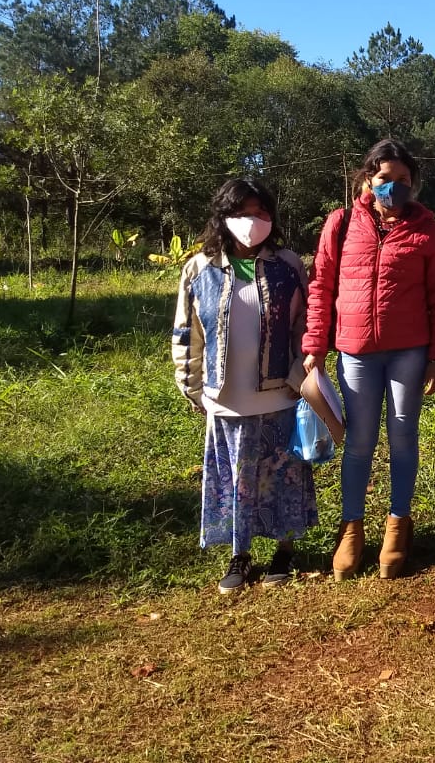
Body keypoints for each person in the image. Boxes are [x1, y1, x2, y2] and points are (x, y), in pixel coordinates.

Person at [302, 138, 435, 581]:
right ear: (368, 178)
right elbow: (321, 286)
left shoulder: (428, 229)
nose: (394, 187)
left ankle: (397, 526)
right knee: (360, 442)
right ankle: (351, 530)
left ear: (414, 184)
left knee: (404, 437)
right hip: (355, 351)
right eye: (386, 178)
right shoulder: (342, 222)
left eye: (403, 180)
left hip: (410, 351)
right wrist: (315, 345)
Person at [172, 177, 317, 595]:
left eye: (261, 213)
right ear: (224, 217)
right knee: (236, 481)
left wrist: (299, 374)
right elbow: (187, 331)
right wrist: (192, 385)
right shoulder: (199, 268)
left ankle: (284, 551)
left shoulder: (288, 264)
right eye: (243, 213)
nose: (253, 221)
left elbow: (305, 325)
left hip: (280, 394)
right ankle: (240, 554)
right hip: (225, 398)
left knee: (284, 476)